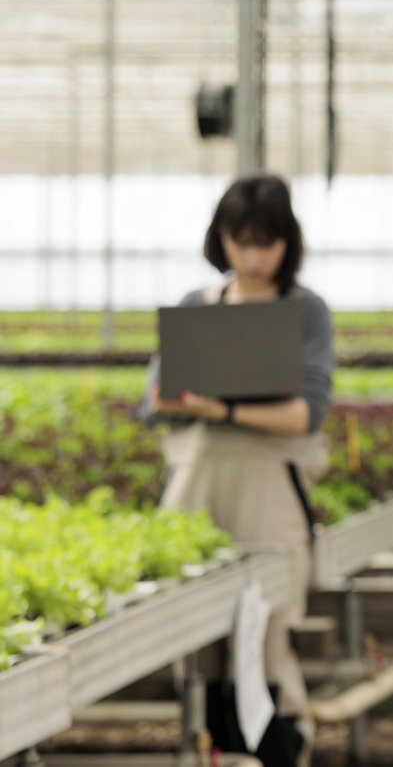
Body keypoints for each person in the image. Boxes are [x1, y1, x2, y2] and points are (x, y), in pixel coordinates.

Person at [139, 173, 333, 767]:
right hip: (199, 494)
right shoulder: (199, 308)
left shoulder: (304, 311)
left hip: (270, 499)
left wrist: (221, 408)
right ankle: (212, 749)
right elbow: (150, 402)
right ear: (220, 239)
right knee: (200, 651)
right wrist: (170, 397)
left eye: (265, 242)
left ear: (287, 243)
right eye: (240, 241)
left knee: (269, 640)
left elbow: (307, 411)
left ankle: (279, 748)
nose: (252, 256)